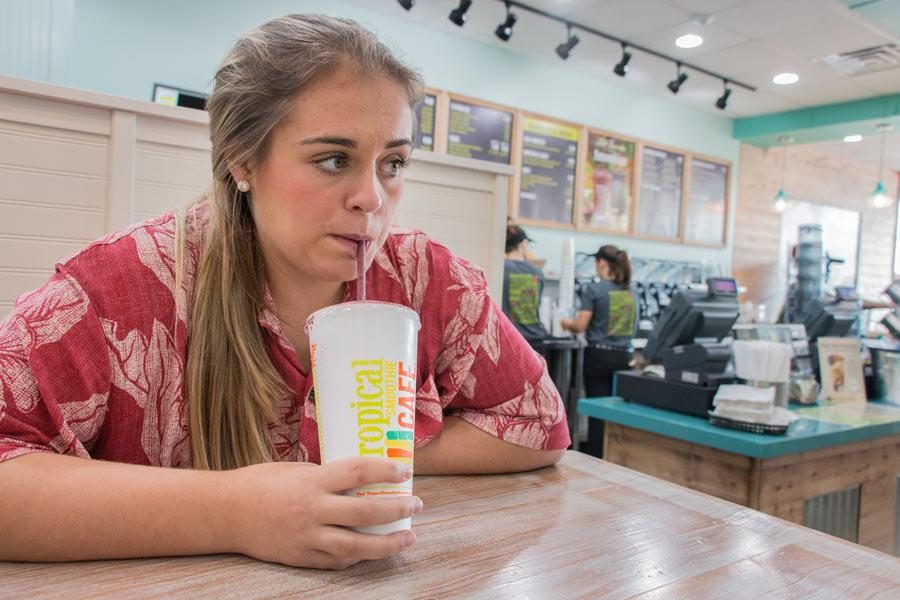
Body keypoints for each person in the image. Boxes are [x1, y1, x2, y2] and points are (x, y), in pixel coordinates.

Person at [0, 14, 568, 569]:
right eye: (332, 160)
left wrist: (359, 457)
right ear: (241, 159)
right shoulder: (119, 290)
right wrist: (236, 512)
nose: (372, 197)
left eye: (393, 162)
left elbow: (539, 424)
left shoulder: (425, 278)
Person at [560, 245, 635, 457]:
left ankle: (595, 458)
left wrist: (566, 323)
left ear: (602, 263)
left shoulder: (594, 290)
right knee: (616, 413)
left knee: (597, 413)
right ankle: (615, 457)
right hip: (624, 357)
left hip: (599, 357)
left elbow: (581, 325)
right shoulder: (632, 292)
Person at [502, 224, 549, 345]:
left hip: (507, 339)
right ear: (523, 244)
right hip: (533, 340)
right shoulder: (537, 272)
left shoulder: (498, 269)